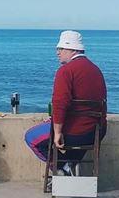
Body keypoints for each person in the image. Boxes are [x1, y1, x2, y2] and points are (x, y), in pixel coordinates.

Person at [25, 30, 107, 174]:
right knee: (67, 143)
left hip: (74, 133)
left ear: (73, 49)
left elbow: (60, 104)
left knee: (31, 137)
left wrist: (57, 131)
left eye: (61, 48)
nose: (58, 52)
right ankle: (70, 165)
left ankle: (62, 169)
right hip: (96, 132)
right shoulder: (96, 70)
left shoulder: (65, 71)